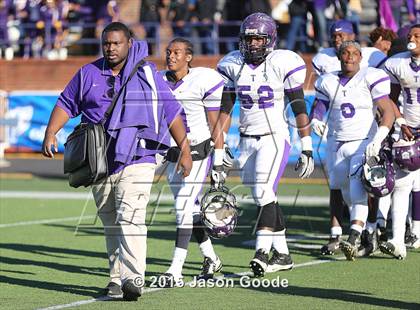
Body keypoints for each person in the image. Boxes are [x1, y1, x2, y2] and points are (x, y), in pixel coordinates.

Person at [41, 22, 192, 301]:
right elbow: (66, 103)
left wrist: (184, 149)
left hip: (139, 156)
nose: (110, 48)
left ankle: (133, 278)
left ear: (129, 44)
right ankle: (115, 278)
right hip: (99, 160)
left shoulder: (148, 74)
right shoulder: (88, 73)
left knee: (130, 215)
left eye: (116, 43)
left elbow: (171, 110)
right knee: (111, 221)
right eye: (106, 43)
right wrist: (51, 132)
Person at [218, 12, 314, 277]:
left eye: (259, 39)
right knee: (264, 198)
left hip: (273, 137)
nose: (253, 45)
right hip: (246, 141)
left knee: (262, 192)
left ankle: (261, 251)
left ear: (270, 40)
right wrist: (220, 145)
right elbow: (225, 109)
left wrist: (306, 146)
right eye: (249, 39)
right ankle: (282, 254)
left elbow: (298, 105)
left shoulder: (282, 62)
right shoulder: (232, 64)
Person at [311, 20, 387, 256]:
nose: (350, 57)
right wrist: (317, 119)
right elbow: (320, 105)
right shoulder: (327, 79)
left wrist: (382, 132)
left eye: (354, 53)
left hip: (362, 140)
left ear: (361, 57)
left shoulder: (370, 76)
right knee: (336, 188)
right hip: (335, 140)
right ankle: (337, 234)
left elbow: (386, 107)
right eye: (346, 53)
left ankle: (355, 235)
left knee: (358, 190)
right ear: (340, 56)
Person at [156, 37, 226, 286]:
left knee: (183, 207)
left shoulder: (203, 80)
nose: (171, 56)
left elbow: (215, 123)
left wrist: (218, 162)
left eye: (176, 52)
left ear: (188, 57)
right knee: (190, 210)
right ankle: (211, 258)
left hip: (197, 152)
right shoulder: (159, 81)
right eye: (168, 52)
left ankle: (175, 270)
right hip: (171, 154)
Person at [381, 24, 420, 257]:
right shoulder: (397, 63)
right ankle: (397, 239)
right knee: (403, 183)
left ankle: (416, 230)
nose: (412, 39)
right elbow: (390, 99)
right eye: (410, 36)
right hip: (407, 128)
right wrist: (401, 122)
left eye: (417, 36)